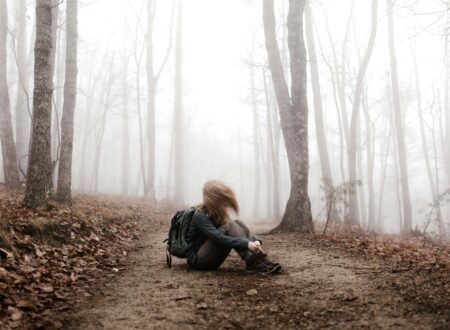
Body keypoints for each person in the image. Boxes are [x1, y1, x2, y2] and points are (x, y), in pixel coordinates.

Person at [185, 180, 281, 274]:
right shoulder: (200, 216)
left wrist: (256, 241)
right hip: (198, 261)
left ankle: (259, 260)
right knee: (230, 224)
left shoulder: (214, 213)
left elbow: (235, 229)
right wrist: (246, 244)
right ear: (213, 199)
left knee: (238, 223)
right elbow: (218, 238)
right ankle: (252, 261)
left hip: (209, 258)